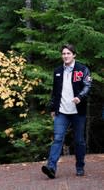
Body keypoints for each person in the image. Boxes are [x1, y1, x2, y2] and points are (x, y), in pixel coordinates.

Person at [42, 44, 92, 179]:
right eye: (63, 53)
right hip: (61, 112)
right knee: (57, 138)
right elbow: (55, 92)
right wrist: (53, 108)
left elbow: (87, 86)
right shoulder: (57, 71)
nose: (65, 56)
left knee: (79, 141)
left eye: (68, 53)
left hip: (78, 112)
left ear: (74, 55)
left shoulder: (82, 69)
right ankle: (51, 167)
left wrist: (79, 97)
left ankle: (80, 166)